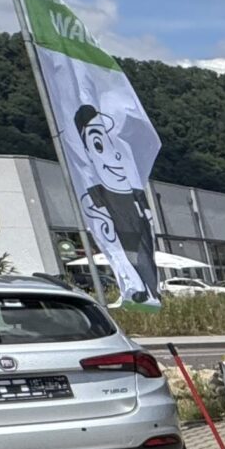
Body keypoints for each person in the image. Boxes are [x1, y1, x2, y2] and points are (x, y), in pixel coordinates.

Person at [73, 101, 158, 302]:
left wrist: (145, 216)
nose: (115, 156)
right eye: (99, 145)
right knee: (127, 257)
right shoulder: (97, 190)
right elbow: (95, 213)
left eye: (116, 145)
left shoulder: (132, 188)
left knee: (143, 258)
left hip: (138, 227)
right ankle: (137, 289)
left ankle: (149, 291)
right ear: (87, 151)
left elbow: (143, 206)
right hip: (121, 232)